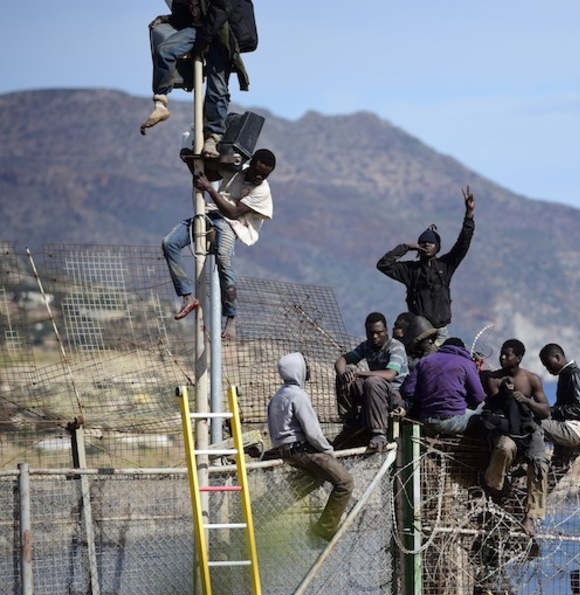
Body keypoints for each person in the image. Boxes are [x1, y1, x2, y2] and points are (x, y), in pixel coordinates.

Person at [162, 148, 276, 339]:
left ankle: (231, 318)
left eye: (265, 175)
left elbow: (233, 213)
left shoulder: (262, 190)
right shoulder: (237, 171)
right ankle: (188, 297)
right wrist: (191, 160)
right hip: (211, 213)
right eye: (257, 171)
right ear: (251, 164)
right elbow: (209, 175)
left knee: (223, 260)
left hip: (233, 224)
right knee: (170, 243)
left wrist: (209, 189)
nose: (259, 177)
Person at [142, 0, 255, 159]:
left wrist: (204, 39)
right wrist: (168, 19)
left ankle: (212, 137)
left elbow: (223, 8)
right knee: (165, 51)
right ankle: (161, 103)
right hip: (199, 30)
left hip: (223, 33)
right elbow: (185, 12)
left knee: (217, 87)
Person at [267, 352, 354, 540]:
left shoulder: (278, 396)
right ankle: (325, 528)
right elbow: (313, 433)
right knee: (345, 483)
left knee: (317, 477)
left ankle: (270, 505)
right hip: (302, 450)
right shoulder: (298, 395)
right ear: (296, 370)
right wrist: (328, 450)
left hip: (286, 451)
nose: (308, 368)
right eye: (304, 365)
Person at [376, 187, 476, 338]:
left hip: (441, 331)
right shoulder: (410, 270)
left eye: (431, 242)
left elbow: (463, 243)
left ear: (437, 247)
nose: (427, 245)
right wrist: (405, 247)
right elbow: (383, 265)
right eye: (423, 242)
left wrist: (469, 214)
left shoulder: (446, 265)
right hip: (418, 331)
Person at [481, 339, 550, 538]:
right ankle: (496, 488)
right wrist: (504, 395)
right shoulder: (494, 379)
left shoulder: (531, 379)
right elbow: (494, 407)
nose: (503, 357)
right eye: (501, 353)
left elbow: (545, 411)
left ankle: (530, 516)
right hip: (505, 429)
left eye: (508, 354)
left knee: (539, 463)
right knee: (505, 447)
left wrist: (526, 401)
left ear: (518, 358)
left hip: (528, 429)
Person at [333, 312, 409, 452]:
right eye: (371, 333)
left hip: (395, 394)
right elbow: (341, 360)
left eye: (378, 332)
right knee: (345, 377)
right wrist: (345, 374)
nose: (374, 336)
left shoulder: (395, 347)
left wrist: (359, 373)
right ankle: (350, 424)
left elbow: (390, 375)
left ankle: (378, 433)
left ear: (386, 331)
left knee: (372, 381)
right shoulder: (366, 346)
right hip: (374, 392)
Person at [399, 337, 486, 436]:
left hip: (425, 419)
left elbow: (407, 390)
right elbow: (478, 397)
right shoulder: (467, 363)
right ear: (462, 349)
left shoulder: (425, 361)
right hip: (451, 421)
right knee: (482, 407)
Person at [537, 343, 580, 492]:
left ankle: (534, 460)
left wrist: (552, 411)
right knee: (551, 478)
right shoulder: (565, 374)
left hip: (572, 429)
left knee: (534, 425)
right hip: (569, 429)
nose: (548, 369)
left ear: (557, 357)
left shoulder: (573, 374)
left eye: (548, 364)